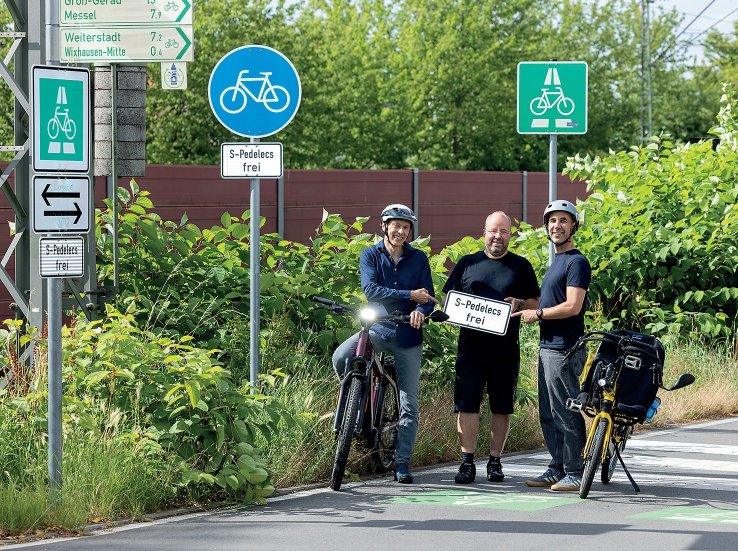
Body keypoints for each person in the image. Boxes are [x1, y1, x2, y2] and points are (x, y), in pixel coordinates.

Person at [332, 204, 438, 484]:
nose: (401, 231)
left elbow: (427, 298)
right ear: (384, 226)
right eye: (396, 225)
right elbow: (371, 289)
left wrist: (420, 310)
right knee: (341, 356)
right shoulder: (370, 254)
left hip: (408, 335)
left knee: (409, 403)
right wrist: (409, 294)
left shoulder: (419, 259)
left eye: (406, 227)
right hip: (377, 328)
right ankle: (355, 404)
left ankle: (402, 463)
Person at [442, 211, 540, 484]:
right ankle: (467, 462)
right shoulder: (467, 263)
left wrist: (520, 303)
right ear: (483, 232)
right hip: (470, 348)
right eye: (493, 231)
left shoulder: (521, 266)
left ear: (511, 235)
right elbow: (449, 301)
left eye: (504, 231)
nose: (498, 236)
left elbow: (536, 302)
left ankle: (495, 462)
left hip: (505, 349)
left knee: (501, 406)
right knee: (466, 405)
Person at [513, 200, 591, 492]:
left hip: (565, 348)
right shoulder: (557, 261)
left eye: (563, 221)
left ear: (574, 226)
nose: (556, 226)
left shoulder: (576, 262)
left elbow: (573, 306)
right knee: (548, 411)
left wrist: (540, 313)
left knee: (565, 410)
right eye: (552, 221)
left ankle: (575, 470)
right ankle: (557, 466)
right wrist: (522, 304)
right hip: (549, 346)